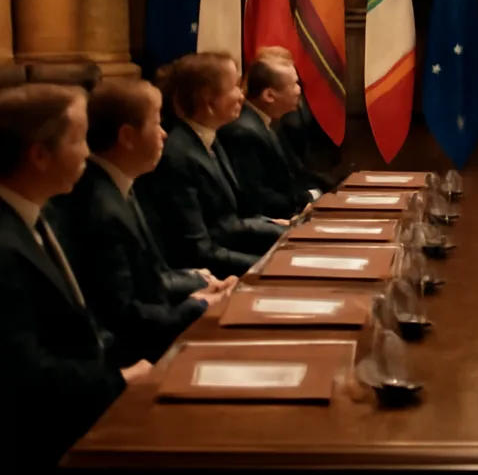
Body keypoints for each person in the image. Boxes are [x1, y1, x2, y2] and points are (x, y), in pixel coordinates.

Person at [0, 84, 150, 475]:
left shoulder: (41, 212)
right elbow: (25, 373)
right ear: (39, 155)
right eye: (79, 140)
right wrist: (118, 379)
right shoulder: (5, 245)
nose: (88, 152)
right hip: (41, 446)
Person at [50, 80, 235, 365]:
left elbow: (149, 278)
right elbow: (123, 315)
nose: (164, 134)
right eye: (157, 124)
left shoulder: (120, 185)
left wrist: (197, 288)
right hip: (135, 358)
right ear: (127, 136)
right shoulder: (101, 207)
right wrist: (197, 305)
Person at [136, 52, 286, 277]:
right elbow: (196, 250)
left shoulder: (207, 138)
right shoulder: (178, 155)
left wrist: (283, 230)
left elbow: (227, 222)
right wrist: (267, 265)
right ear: (208, 100)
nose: (242, 96)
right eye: (235, 86)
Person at [218, 48, 318, 218]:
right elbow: (257, 196)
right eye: (294, 84)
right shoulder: (243, 132)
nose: (299, 91)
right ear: (269, 95)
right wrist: (309, 197)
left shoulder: (264, 122)